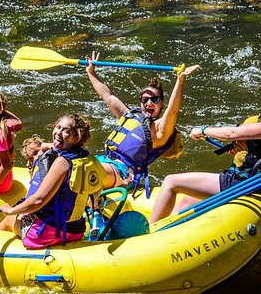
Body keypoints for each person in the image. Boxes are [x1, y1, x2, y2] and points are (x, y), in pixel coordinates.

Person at [149, 78, 261, 224]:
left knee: (170, 182)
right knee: (186, 203)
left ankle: (149, 233)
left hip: (242, 184)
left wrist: (203, 130)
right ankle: (164, 236)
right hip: (247, 179)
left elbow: (232, 134)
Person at [85, 51, 200, 195]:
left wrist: (180, 80)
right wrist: (91, 72)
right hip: (105, 161)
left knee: (84, 170)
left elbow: (172, 111)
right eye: (145, 99)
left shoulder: (159, 130)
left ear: (162, 103)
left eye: (155, 100)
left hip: (123, 172)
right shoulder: (129, 116)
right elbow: (108, 96)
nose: (149, 103)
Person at [0, 114, 100, 249]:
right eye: (58, 127)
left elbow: (38, 201)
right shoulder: (87, 159)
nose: (59, 133)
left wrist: (11, 211)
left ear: (77, 137)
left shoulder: (62, 163)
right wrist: (45, 146)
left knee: (10, 219)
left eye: (66, 130)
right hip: (75, 230)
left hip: (48, 233)